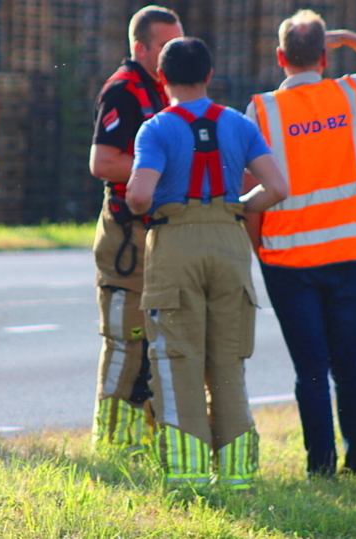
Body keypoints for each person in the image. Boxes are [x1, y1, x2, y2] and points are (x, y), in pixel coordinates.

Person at [245, 10, 356, 478]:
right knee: (349, 366)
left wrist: (261, 252)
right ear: (324, 55)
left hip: (286, 260)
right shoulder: (351, 93)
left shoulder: (261, 110)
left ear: (280, 58)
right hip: (344, 255)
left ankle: (320, 467)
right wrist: (351, 38)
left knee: (312, 372)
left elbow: (249, 193)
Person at [126, 37, 288, 489]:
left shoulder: (155, 128)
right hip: (229, 240)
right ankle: (238, 475)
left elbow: (139, 195)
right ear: (209, 76)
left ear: (162, 79)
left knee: (179, 359)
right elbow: (277, 187)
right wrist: (238, 206)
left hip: (176, 242)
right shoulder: (238, 124)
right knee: (228, 362)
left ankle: (188, 473)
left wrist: (152, 204)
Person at [88, 6, 184, 450]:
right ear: (140, 47)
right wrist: (162, 170)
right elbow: (103, 162)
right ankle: (110, 440)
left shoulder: (168, 90)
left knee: (155, 340)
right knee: (125, 339)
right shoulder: (125, 91)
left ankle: (143, 437)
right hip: (128, 235)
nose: (174, 53)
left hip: (160, 234)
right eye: (166, 45)